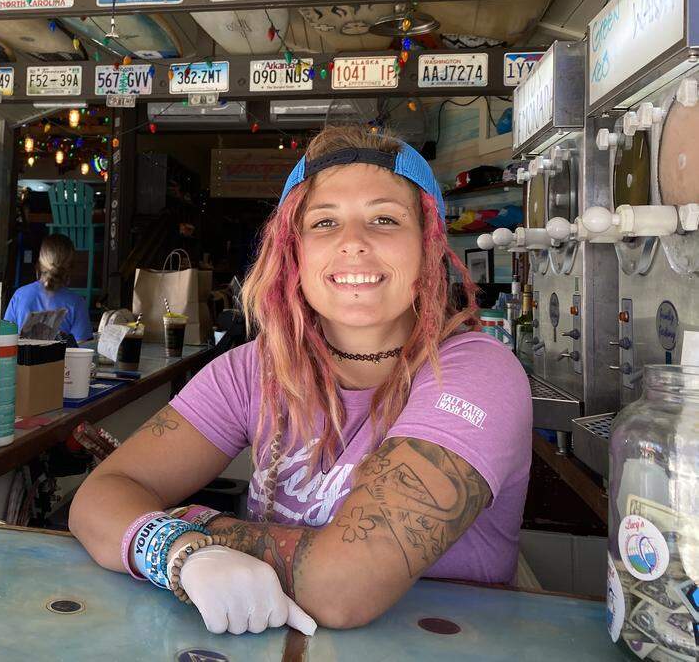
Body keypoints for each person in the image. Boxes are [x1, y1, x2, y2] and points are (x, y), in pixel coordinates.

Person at [69, 126, 531, 636]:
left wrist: (193, 523)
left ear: (428, 245)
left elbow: (343, 587)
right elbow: (97, 498)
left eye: (384, 219)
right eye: (324, 222)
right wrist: (176, 550)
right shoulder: (253, 369)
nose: (353, 242)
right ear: (295, 252)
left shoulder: (477, 372)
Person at [5, 233, 93, 342]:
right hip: (62, 354)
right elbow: (82, 346)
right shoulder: (76, 303)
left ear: (40, 262)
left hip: (22, 353)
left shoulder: (20, 295)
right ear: (71, 266)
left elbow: (5, 339)